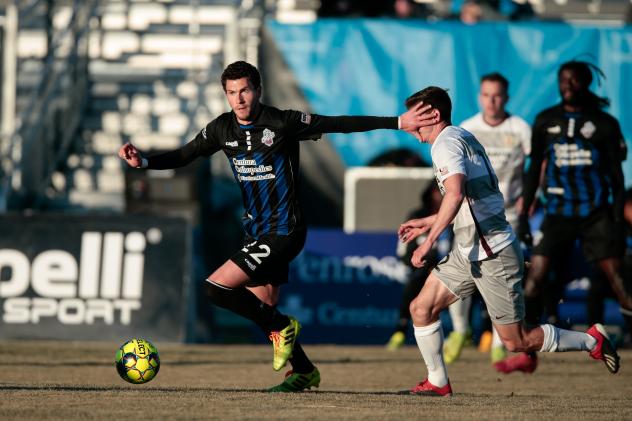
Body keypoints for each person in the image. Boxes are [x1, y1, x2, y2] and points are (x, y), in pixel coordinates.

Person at [118, 61, 436, 392]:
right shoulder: (221, 129)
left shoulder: (282, 122)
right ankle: (303, 371)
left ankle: (284, 326)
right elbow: (186, 154)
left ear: (258, 90)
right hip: (256, 232)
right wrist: (146, 161)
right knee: (263, 308)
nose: (238, 99)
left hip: (285, 230)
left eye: (244, 90)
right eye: (231, 93)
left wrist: (397, 122)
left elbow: (338, 124)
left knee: (216, 288)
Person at [397, 86, 619, 397]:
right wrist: (426, 221)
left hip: (492, 253)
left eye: (414, 116)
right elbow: (469, 201)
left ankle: (592, 340)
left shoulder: (444, 144)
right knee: (421, 309)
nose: (408, 123)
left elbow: (457, 194)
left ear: (433, 115)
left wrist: (427, 242)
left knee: (517, 341)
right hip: (469, 250)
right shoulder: (460, 135)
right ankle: (437, 382)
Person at [499, 60, 632, 373]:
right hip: (557, 213)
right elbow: (533, 173)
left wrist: (615, 218)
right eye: (563, 80)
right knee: (533, 281)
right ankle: (526, 353)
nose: (567, 85)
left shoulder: (604, 124)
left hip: (595, 213)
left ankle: (627, 336)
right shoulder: (546, 121)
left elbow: (615, 175)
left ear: (585, 84)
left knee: (620, 282)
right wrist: (526, 208)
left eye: (573, 80)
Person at [443, 72, 531, 366]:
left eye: (497, 95)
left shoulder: (520, 128)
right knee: (461, 269)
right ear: (480, 96)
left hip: (507, 216)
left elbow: (537, 164)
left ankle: (497, 342)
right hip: (469, 214)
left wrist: (529, 195)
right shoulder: (466, 128)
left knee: (499, 280)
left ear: (506, 98)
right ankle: (459, 331)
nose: (491, 101)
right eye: (486, 95)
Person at [386, 183, 452, 350]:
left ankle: (472, 333)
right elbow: (404, 249)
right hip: (422, 271)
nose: (442, 194)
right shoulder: (417, 215)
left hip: (451, 268)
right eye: (439, 190)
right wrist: (418, 263)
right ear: (430, 193)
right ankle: (400, 331)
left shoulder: (457, 215)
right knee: (415, 294)